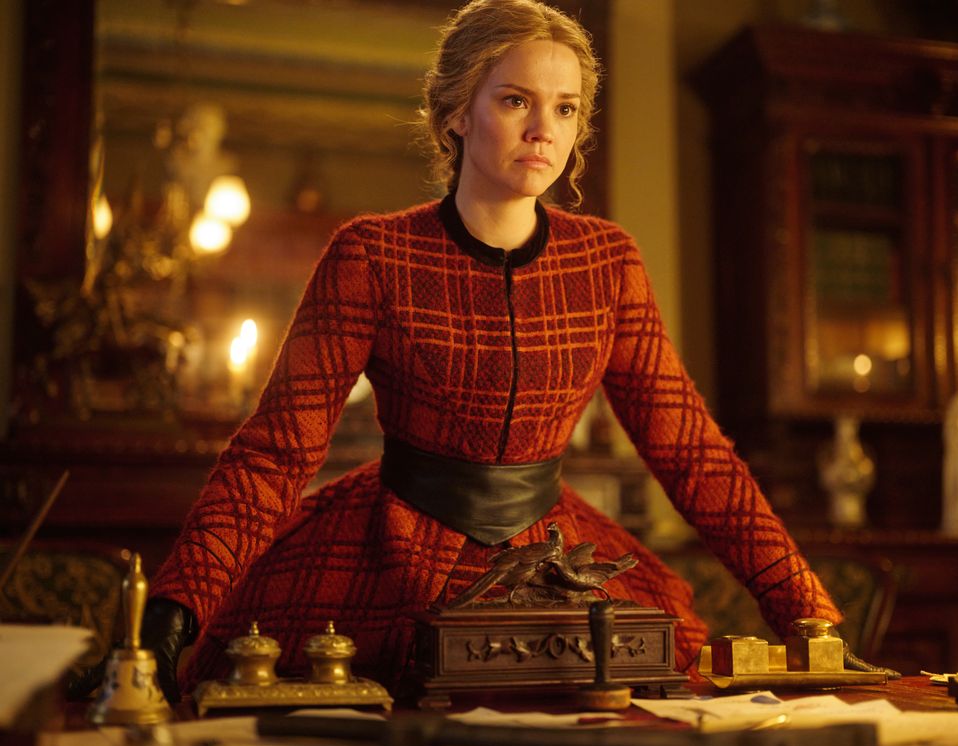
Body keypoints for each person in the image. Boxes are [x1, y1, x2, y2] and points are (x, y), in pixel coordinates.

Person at [99, 0, 894, 702]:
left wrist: (806, 608)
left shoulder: (607, 260)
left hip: (551, 559)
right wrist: (175, 613)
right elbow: (276, 451)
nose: (544, 128)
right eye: (515, 100)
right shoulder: (371, 254)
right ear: (456, 113)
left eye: (565, 107)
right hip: (385, 552)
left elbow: (691, 450)